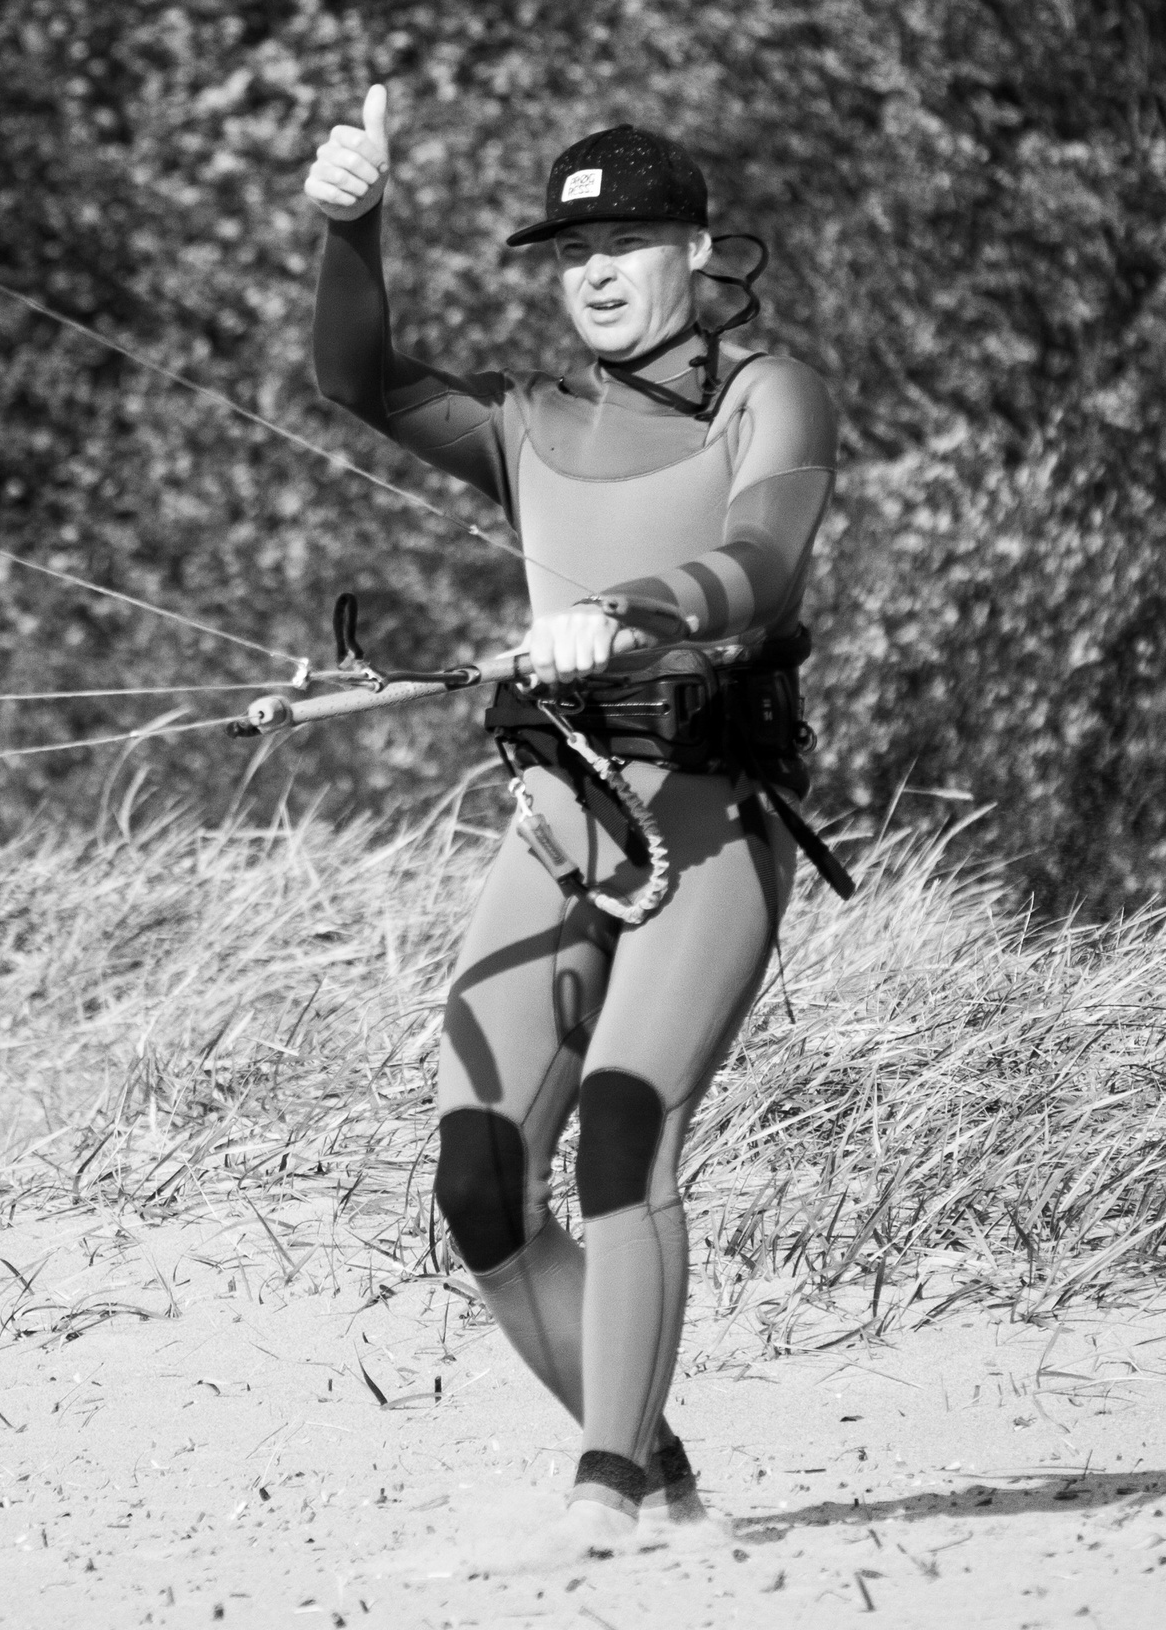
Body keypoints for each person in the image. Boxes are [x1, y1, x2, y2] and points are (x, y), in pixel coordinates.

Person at [302, 85, 841, 1553]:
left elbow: (765, 557)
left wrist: (634, 612)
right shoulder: (527, 427)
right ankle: (658, 1475)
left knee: (621, 1136)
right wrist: (353, 224)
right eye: (570, 250)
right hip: (560, 827)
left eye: (631, 240)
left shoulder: (765, 393)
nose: (596, 271)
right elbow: (359, 374)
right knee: (479, 1185)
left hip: (711, 822)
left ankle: (600, 1500)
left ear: (703, 248)